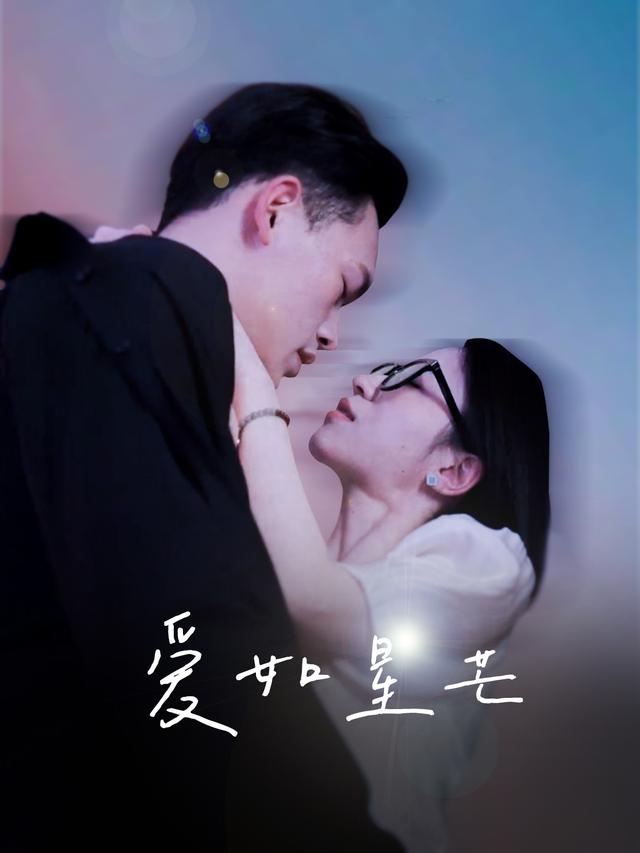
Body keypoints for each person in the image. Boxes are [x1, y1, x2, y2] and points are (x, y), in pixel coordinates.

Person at [0, 82, 409, 852]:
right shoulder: (156, 287)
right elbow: (205, 663)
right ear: (276, 209)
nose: (330, 334)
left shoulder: (79, 298)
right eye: (342, 289)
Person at [231, 318, 551, 852]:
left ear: (455, 469)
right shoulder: (307, 566)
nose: (365, 382)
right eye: (386, 370)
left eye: (411, 382)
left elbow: (312, 602)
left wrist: (252, 385)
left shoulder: (491, 562)